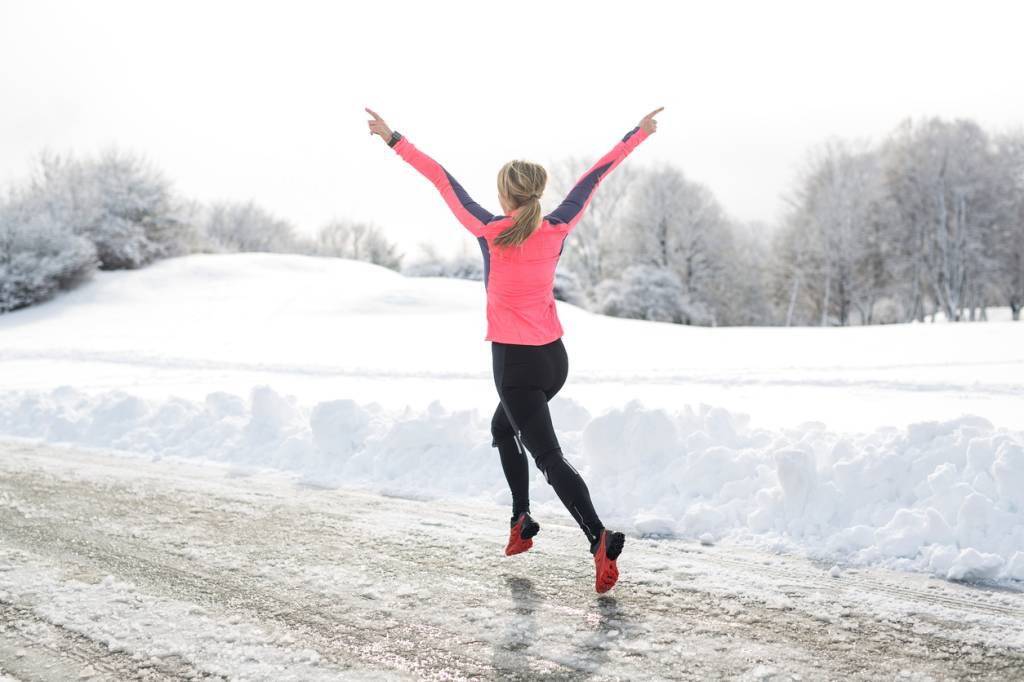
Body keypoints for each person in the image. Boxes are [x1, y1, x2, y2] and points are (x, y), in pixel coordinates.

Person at [366, 105, 662, 593]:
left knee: (547, 455)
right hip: (553, 360)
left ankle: (598, 538)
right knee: (504, 428)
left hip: (516, 365)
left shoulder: (489, 231)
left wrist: (393, 138)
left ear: (505, 195)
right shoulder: (557, 227)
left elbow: (443, 181)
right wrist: (638, 135)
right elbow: (594, 178)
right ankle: (521, 520)